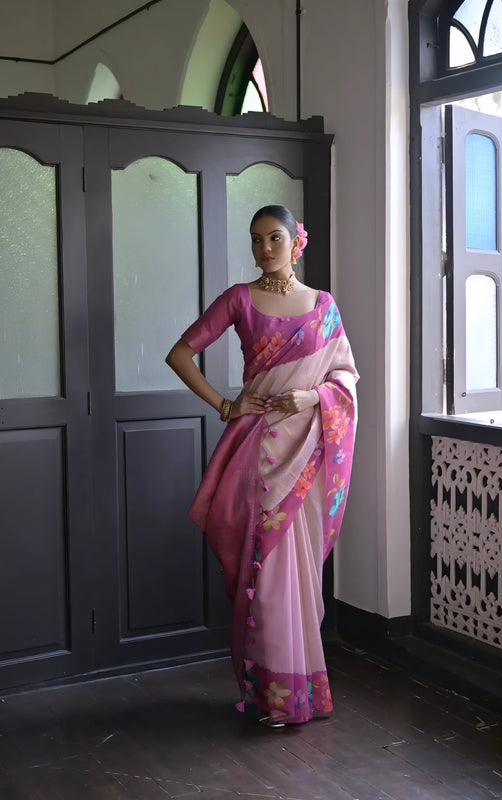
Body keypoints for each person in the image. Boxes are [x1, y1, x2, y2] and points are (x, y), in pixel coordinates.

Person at [166, 205, 359, 727]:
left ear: (296, 242)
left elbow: (345, 381)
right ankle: (273, 696)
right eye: (256, 240)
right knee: (266, 573)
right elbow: (180, 354)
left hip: (307, 455)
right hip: (259, 455)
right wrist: (227, 405)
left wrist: (311, 397)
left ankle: (304, 692)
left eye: (274, 238)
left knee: (299, 577)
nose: (264, 249)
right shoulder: (238, 299)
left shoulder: (323, 307)